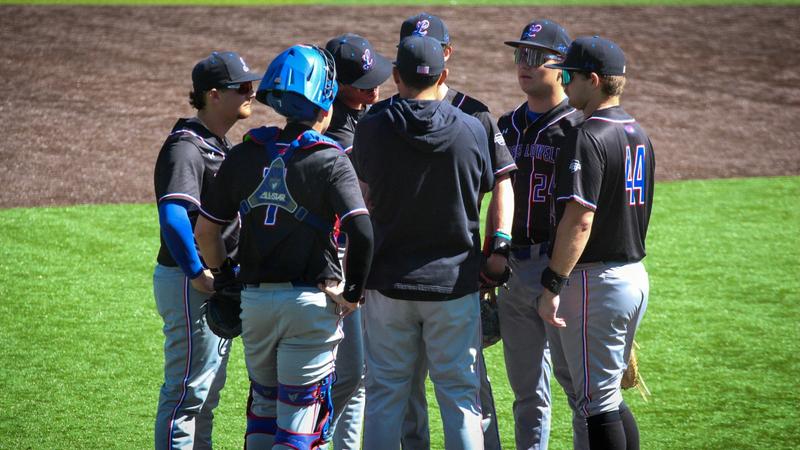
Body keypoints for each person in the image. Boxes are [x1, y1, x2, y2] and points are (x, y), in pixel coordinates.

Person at [194, 44, 374, 450]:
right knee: (299, 425)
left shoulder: (245, 153)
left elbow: (206, 232)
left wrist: (226, 280)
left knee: (263, 412)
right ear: (325, 104)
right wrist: (352, 294)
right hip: (309, 307)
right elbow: (363, 233)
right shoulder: (329, 159)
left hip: (256, 305)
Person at [382, 14, 517, 450]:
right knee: (418, 388)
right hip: (438, 277)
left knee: (464, 385)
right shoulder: (384, 117)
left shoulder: (475, 114)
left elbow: (503, 182)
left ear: (447, 55)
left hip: (452, 272)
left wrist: (498, 246)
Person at [353, 34, 494, 450]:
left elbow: (363, 201)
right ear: (443, 76)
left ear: (396, 75)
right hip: (453, 285)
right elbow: (481, 193)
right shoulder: (471, 129)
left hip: (388, 284)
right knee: (460, 396)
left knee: (385, 393)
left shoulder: (371, 127)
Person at [541, 36, 655, 450]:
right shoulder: (638, 132)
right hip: (632, 277)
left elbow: (580, 220)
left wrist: (552, 284)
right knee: (606, 398)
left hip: (596, 283)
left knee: (597, 403)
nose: (563, 83)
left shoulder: (587, 135)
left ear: (593, 80)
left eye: (569, 76)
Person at [152, 51, 260, 450]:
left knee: (206, 395)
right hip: (190, 280)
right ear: (213, 95)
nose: (252, 93)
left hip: (214, 279)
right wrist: (197, 272)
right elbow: (174, 217)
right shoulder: (186, 148)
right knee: (187, 394)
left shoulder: (217, 144)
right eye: (242, 87)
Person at [497, 20, 586, 450]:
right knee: (527, 391)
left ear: (562, 66)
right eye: (521, 55)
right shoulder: (505, 125)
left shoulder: (579, 127)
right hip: (513, 267)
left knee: (581, 391)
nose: (524, 64)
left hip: (560, 269)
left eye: (535, 57)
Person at [323, 33, 392, 450]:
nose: (374, 89)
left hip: (358, 257)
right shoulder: (337, 134)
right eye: (363, 84)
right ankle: (306, 439)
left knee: (359, 375)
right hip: (337, 261)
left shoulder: (363, 121)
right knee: (348, 373)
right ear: (338, 85)